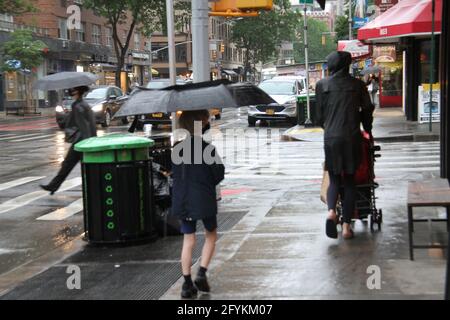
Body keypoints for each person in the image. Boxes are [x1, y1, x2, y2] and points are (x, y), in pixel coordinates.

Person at [316, 51, 374, 240]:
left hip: (331, 138)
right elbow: (367, 109)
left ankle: (332, 212)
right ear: (348, 66)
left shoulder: (321, 85)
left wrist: (329, 126)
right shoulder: (357, 86)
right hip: (351, 137)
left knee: (334, 179)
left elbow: (318, 117)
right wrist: (367, 128)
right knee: (349, 181)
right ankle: (347, 227)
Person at [171, 110, 225, 299]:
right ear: (199, 124)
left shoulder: (176, 149)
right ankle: (201, 272)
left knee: (189, 239)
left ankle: (186, 284)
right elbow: (218, 174)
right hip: (204, 198)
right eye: (205, 120)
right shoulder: (206, 148)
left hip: (184, 200)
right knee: (211, 234)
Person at [40, 86, 97, 194]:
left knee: (69, 164)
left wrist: (85, 143)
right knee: (74, 165)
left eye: (73, 90)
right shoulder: (82, 104)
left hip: (81, 142)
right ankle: (53, 186)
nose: (70, 92)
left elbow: (83, 125)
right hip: (85, 141)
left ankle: (53, 186)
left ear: (77, 91)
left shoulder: (78, 106)